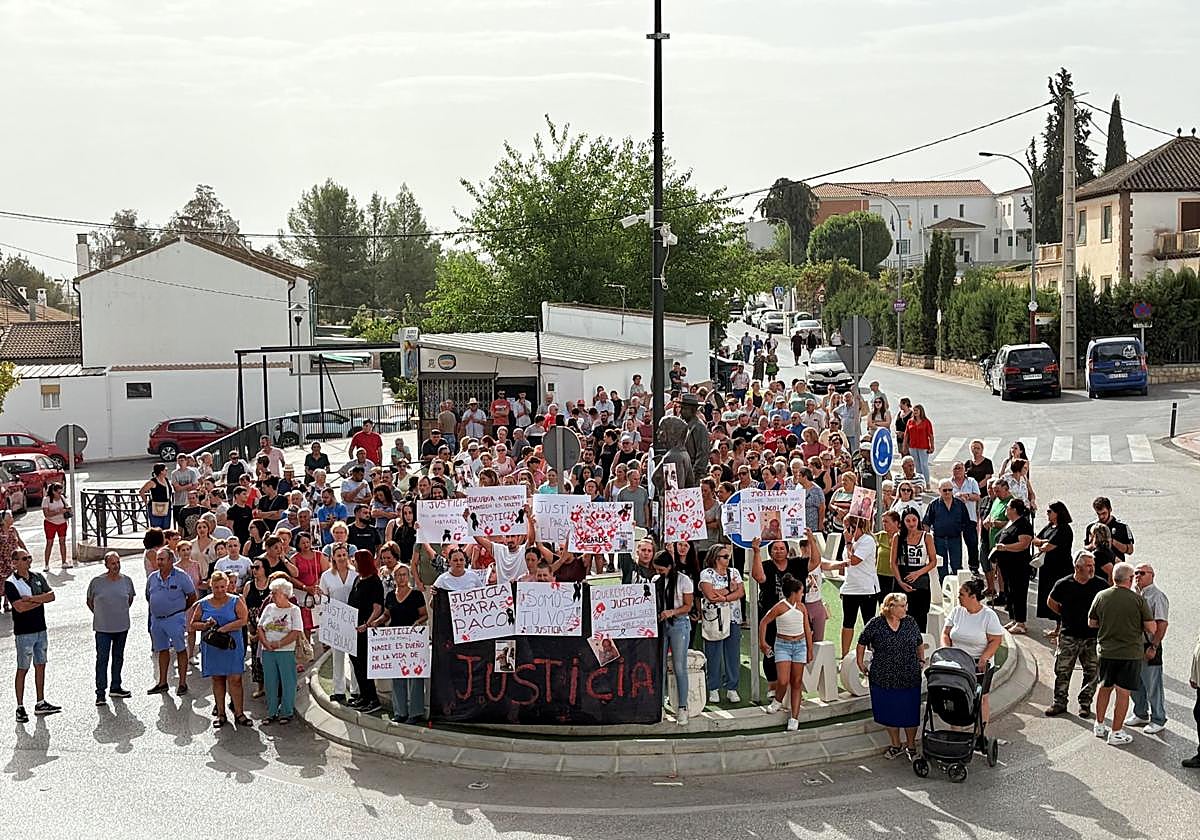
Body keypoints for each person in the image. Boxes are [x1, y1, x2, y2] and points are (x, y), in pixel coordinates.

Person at [1089, 562, 1157, 747]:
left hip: (1106, 652)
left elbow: (1092, 622)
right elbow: (1152, 627)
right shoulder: (1137, 600)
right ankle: (1116, 732)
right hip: (1129, 654)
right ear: (1129, 579)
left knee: (1104, 688)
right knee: (1123, 692)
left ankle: (1100, 724)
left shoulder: (1101, 596)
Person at [858, 592, 925, 759]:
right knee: (889, 713)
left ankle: (911, 745)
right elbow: (861, 641)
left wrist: (921, 661)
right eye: (902, 606)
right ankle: (896, 744)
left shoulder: (910, 622)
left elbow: (919, 643)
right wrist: (860, 663)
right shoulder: (876, 623)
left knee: (910, 714)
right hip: (883, 678)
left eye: (906, 605)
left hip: (909, 677)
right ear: (890, 607)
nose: (906, 608)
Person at [942, 578, 1005, 751]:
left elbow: (995, 640)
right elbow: (946, 633)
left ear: (973, 596)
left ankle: (981, 734)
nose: (959, 597)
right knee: (956, 697)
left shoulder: (988, 616)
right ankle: (956, 733)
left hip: (979, 664)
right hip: (958, 664)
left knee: (981, 697)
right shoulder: (957, 612)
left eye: (962, 594)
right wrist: (948, 651)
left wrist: (984, 658)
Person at [1045, 551, 1106, 718]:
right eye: (1088, 566)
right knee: (1063, 670)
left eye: (1093, 565)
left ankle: (1085, 704)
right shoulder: (1064, 584)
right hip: (1068, 635)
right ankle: (1059, 702)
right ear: (1077, 567)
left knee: (1092, 672)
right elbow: (1051, 602)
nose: (1092, 569)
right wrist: (1064, 616)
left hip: (1092, 637)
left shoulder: (1101, 585)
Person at [189, 569, 251, 729]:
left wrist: (224, 628)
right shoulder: (203, 603)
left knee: (235, 679)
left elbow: (243, 620)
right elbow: (193, 624)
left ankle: (239, 713)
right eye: (217, 587)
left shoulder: (236, 600)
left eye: (223, 586)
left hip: (232, 645)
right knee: (217, 679)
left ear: (227, 585)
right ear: (211, 587)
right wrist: (205, 625)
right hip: (213, 646)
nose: (220, 590)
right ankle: (221, 713)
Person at [6, 550, 61, 722]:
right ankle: (20, 707)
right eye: (24, 558)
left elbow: (51, 596)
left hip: (40, 630)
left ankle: (40, 702)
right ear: (15, 562)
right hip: (24, 633)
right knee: (23, 668)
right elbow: (19, 608)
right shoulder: (11, 583)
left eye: (29, 557)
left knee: (41, 665)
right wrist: (39, 600)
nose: (29, 560)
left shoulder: (37, 576)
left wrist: (31, 599)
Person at [371, 565, 428, 724]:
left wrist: (418, 622)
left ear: (409, 576)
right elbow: (387, 614)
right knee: (398, 676)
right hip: (395, 641)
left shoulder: (417, 595)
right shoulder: (389, 596)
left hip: (413, 641)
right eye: (398, 575)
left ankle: (415, 713)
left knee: (415, 677)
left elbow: (424, 615)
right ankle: (400, 712)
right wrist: (378, 621)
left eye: (404, 575)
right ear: (394, 578)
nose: (401, 578)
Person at [758, 573, 813, 731]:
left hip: (800, 646)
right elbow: (764, 622)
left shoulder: (802, 607)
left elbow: (807, 629)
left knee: (796, 682)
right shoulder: (780, 607)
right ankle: (777, 700)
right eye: (801, 592)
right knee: (782, 680)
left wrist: (809, 649)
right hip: (782, 645)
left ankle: (794, 718)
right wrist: (763, 642)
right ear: (794, 593)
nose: (803, 595)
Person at [146, 547, 197, 696]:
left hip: (175, 618)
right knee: (162, 650)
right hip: (157, 620)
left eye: (162, 559)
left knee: (180, 649)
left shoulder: (181, 576)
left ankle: (182, 683)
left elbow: (192, 597)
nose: (159, 562)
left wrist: (179, 611)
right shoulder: (152, 577)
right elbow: (148, 596)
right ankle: (162, 682)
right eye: (158, 559)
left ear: (170, 561)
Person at [86, 551, 136, 706]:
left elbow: (130, 599)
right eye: (113, 563)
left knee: (118, 657)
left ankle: (116, 686)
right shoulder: (96, 582)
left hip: (121, 626)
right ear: (106, 565)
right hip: (103, 628)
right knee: (102, 659)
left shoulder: (127, 581)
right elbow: (90, 602)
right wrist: (101, 614)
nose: (116, 566)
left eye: (118, 562)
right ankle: (100, 693)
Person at [699, 544, 744, 705]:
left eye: (728, 556)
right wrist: (728, 590)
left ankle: (732, 687)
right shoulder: (706, 574)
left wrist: (724, 597)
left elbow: (740, 592)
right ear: (715, 558)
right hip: (714, 618)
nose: (728, 559)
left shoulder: (735, 572)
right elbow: (710, 595)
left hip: (733, 617)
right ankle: (713, 687)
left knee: (732, 654)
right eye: (725, 556)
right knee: (713, 654)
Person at [653, 550, 694, 726]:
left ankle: (682, 707)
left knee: (679, 666)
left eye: (661, 569)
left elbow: (688, 606)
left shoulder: (684, 580)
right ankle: (659, 705)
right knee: (660, 665)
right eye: (656, 570)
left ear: (669, 566)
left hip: (679, 623)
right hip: (662, 624)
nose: (658, 573)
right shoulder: (656, 580)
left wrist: (672, 612)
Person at [1127, 563, 1169, 735]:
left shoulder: (1157, 597)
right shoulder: (1137, 595)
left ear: (1152, 575)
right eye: (1136, 573)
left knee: (1153, 685)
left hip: (1149, 645)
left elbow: (1162, 624)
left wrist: (1154, 646)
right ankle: (1140, 713)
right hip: (1135, 646)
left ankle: (1158, 718)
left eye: (1142, 573)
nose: (1138, 576)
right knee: (1135, 684)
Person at [257, 578, 304, 725]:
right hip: (267, 650)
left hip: (286, 651)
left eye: (275, 593)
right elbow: (260, 627)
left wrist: (279, 643)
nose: (272, 595)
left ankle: (286, 711)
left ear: (284, 594)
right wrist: (265, 642)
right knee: (270, 682)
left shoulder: (294, 610)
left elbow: (296, 631)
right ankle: (271, 712)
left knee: (288, 681)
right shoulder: (269, 608)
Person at [833, 516, 880, 659]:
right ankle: (845, 656)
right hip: (850, 588)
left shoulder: (867, 540)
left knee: (869, 623)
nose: (845, 530)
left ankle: (872, 656)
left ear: (856, 525)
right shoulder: (852, 540)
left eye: (847, 526)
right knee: (847, 623)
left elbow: (854, 560)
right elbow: (847, 562)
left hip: (866, 589)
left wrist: (848, 542)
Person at [318, 545, 359, 704]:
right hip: (335, 622)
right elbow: (323, 598)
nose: (341, 558)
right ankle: (339, 691)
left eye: (344, 555)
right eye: (338, 555)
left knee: (354, 659)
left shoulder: (355, 574)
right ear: (333, 557)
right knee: (338, 657)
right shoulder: (326, 576)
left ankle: (356, 691)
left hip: (353, 620)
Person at [348, 550, 386, 714]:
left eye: (355, 560)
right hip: (354, 628)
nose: (353, 562)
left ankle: (372, 699)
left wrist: (367, 624)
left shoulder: (374, 582)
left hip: (365, 629)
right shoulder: (358, 579)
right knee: (356, 663)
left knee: (364, 664)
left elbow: (377, 608)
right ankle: (363, 696)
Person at [990, 497, 1034, 634]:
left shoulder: (1024, 525)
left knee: (1019, 593)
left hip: (1019, 566)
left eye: (1008, 508)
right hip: (1007, 566)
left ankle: (1021, 622)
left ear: (1014, 510)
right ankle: (1014, 619)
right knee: (1010, 593)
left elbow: (1023, 544)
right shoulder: (1011, 522)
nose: (1006, 510)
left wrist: (1005, 547)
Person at [890, 507, 938, 633]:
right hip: (902, 576)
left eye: (914, 520)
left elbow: (933, 561)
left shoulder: (926, 537)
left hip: (920, 576)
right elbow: (893, 562)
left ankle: (918, 646)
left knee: (920, 615)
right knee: (899, 615)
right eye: (908, 520)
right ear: (903, 522)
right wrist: (900, 581)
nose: (911, 523)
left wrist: (918, 573)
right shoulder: (898, 537)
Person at [1033, 501, 1074, 639]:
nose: (1047, 514)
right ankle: (1057, 628)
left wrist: (1043, 543)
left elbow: (1049, 546)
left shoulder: (1064, 529)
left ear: (1058, 513)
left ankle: (1062, 630)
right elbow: (1036, 540)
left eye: (1050, 511)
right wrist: (1042, 542)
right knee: (1050, 597)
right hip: (1048, 568)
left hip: (1061, 569)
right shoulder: (1050, 526)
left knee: (1060, 599)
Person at [1085, 496, 1134, 563]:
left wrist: (1112, 541)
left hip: (1116, 567)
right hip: (1097, 567)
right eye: (1098, 514)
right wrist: (1095, 544)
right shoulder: (1091, 528)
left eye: (1104, 513)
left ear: (1110, 510)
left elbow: (1130, 550)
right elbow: (1086, 548)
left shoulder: (1122, 527)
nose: (1101, 517)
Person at [0, 510, 29, 612]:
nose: (12, 518)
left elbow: (20, 542)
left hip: (14, 561)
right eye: (10, 517)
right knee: (1, 582)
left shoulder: (13, 530)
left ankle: (7, 603)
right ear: (4, 520)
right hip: (2, 561)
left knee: (11, 582)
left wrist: (26, 553)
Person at [40, 482, 71, 570]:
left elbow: (67, 506)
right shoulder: (46, 500)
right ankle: (46, 564)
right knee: (49, 543)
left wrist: (67, 509)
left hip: (62, 523)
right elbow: (46, 514)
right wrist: (58, 512)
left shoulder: (62, 498)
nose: (60, 494)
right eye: (58, 492)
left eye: (61, 492)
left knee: (62, 542)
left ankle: (64, 562)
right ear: (53, 491)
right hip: (50, 523)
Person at [141, 463, 173, 531]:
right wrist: (146, 502)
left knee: (166, 527)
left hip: (166, 505)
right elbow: (142, 491)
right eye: (165, 470)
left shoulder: (166, 479)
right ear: (161, 471)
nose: (167, 471)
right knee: (157, 527)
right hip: (156, 506)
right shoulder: (153, 482)